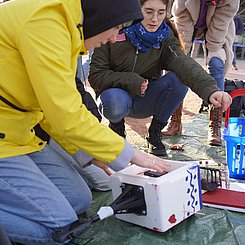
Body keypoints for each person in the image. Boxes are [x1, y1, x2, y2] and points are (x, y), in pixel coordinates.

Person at [0, 0, 172, 244]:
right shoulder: (46, 22)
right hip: (4, 138)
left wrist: (87, 152)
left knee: (79, 199)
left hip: (19, 133)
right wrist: (131, 154)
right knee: (60, 230)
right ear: (104, 15)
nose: (115, 38)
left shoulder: (67, 27)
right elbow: (65, 112)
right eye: (117, 27)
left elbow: (49, 109)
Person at [88, 0, 232, 156]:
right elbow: (96, 76)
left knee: (178, 78)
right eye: (148, 12)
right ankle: (117, 129)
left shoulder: (165, 36)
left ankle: (154, 133)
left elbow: (185, 64)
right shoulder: (114, 31)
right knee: (114, 99)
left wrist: (211, 91)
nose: (155, 19)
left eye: (161, 13)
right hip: (116, 99)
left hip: (145, 99)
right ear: (137, 9)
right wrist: (132, 80)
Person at [168, 0, 239, 146]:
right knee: (177, 64)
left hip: (218, 29)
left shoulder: (230, 1)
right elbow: (181, 16)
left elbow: (219, 28)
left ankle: (215, 124)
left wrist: (213, 49)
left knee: (217, 64)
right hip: (185, 24)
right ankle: (175, 121)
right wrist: (183, 53)